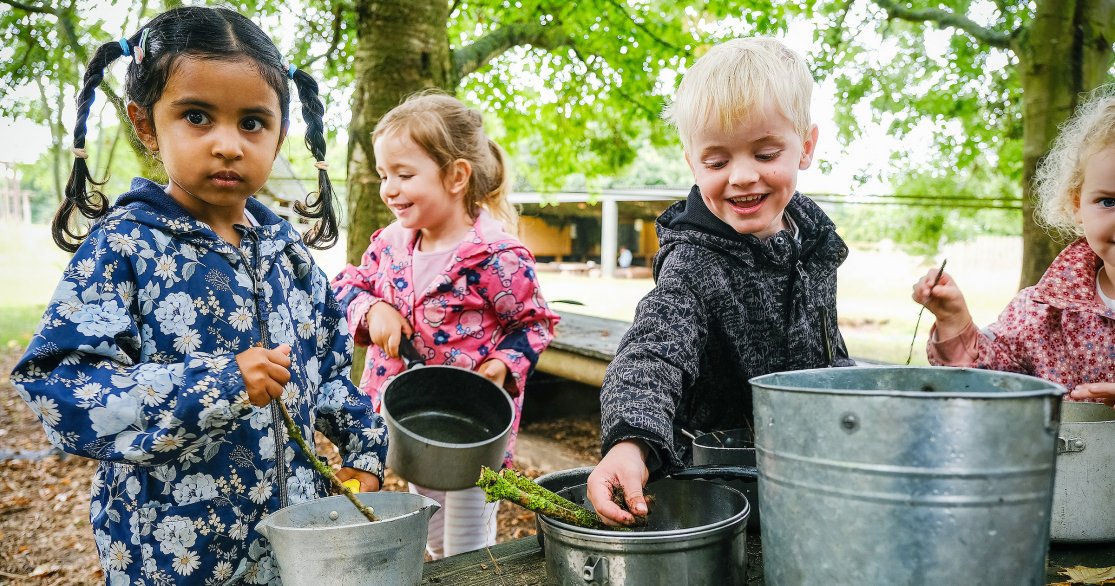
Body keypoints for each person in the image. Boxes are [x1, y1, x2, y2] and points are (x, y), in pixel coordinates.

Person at [9, 7, 388, 583]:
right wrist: (220, 383)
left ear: (281, 133)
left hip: (292, 553)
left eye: (253, 123)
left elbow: (329, 372)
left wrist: (363, 452)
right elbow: (60, 388)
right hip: (171, 559)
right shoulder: (126, 248)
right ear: (145, 125)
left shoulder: (288, 254)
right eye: (196, 116)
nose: (228, 145)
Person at [585, 37, 853, 526]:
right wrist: (631, 439)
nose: (743, 176)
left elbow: (828, 351)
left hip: (811, 480)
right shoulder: (693, 261)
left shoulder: (813, 247)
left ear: (806, 147)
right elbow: (653, 351)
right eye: (717, 162)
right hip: (719, 494)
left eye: (766, 152)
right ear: (692, 163)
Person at [330, 92, 560, 558]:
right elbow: (346, 286)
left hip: (474, 430)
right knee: (432, 534)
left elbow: (533, 324)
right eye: (383, 175)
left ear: (456, 176)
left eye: (405, 174)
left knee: (467, 547)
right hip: (414, 424)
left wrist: (500, 365)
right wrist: (373, 310)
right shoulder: (390, 245)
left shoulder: (497, 256)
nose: (389, 188)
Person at [912, 86, 1115, 404]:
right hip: (1062, 455)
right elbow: (988, 379)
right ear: (1077, 205)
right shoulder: (1045, 312)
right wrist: (954, 321)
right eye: (1108, 201)